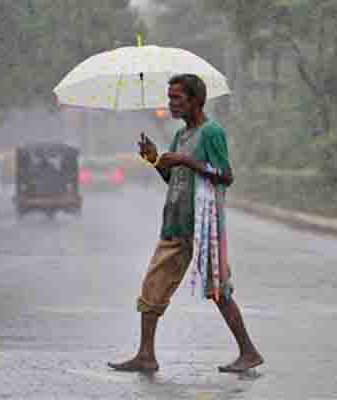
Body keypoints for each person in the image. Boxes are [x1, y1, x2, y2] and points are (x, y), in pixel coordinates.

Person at [108, 74, 263, 374]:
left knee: (218, 290)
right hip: (175, 222)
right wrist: (155, 160)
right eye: (170, 98)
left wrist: (187, 161)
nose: (171, 104)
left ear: (195, 100)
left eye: (177, 98)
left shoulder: (211, 133)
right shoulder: (181, 136)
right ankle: (146, 355)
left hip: (204, 225)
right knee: (152, 287)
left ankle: (249, 351)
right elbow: (174, 178)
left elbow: (225, 175)